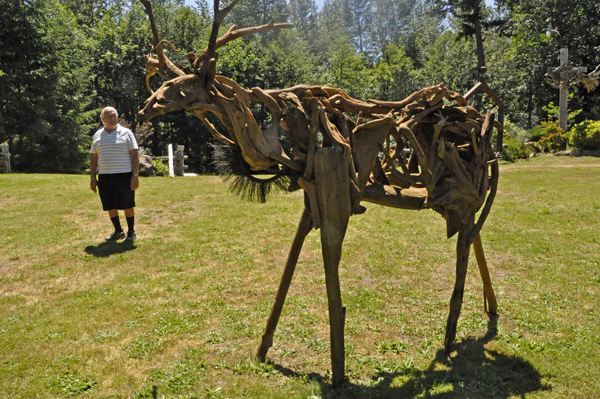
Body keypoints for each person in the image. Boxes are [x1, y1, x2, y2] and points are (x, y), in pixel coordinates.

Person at [90, 107, 140, 241]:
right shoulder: (98, 135)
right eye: (109, 116)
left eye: (114, 116)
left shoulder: (126, 133)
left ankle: (131, 232)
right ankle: (118, 231)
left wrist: (135, 175)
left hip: (124, 174)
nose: (112, 119)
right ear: (103, 119)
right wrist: (93, 178)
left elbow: (135, 154)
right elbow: (94, 157)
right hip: (105, 176)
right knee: (110, 205)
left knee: (127, 204)